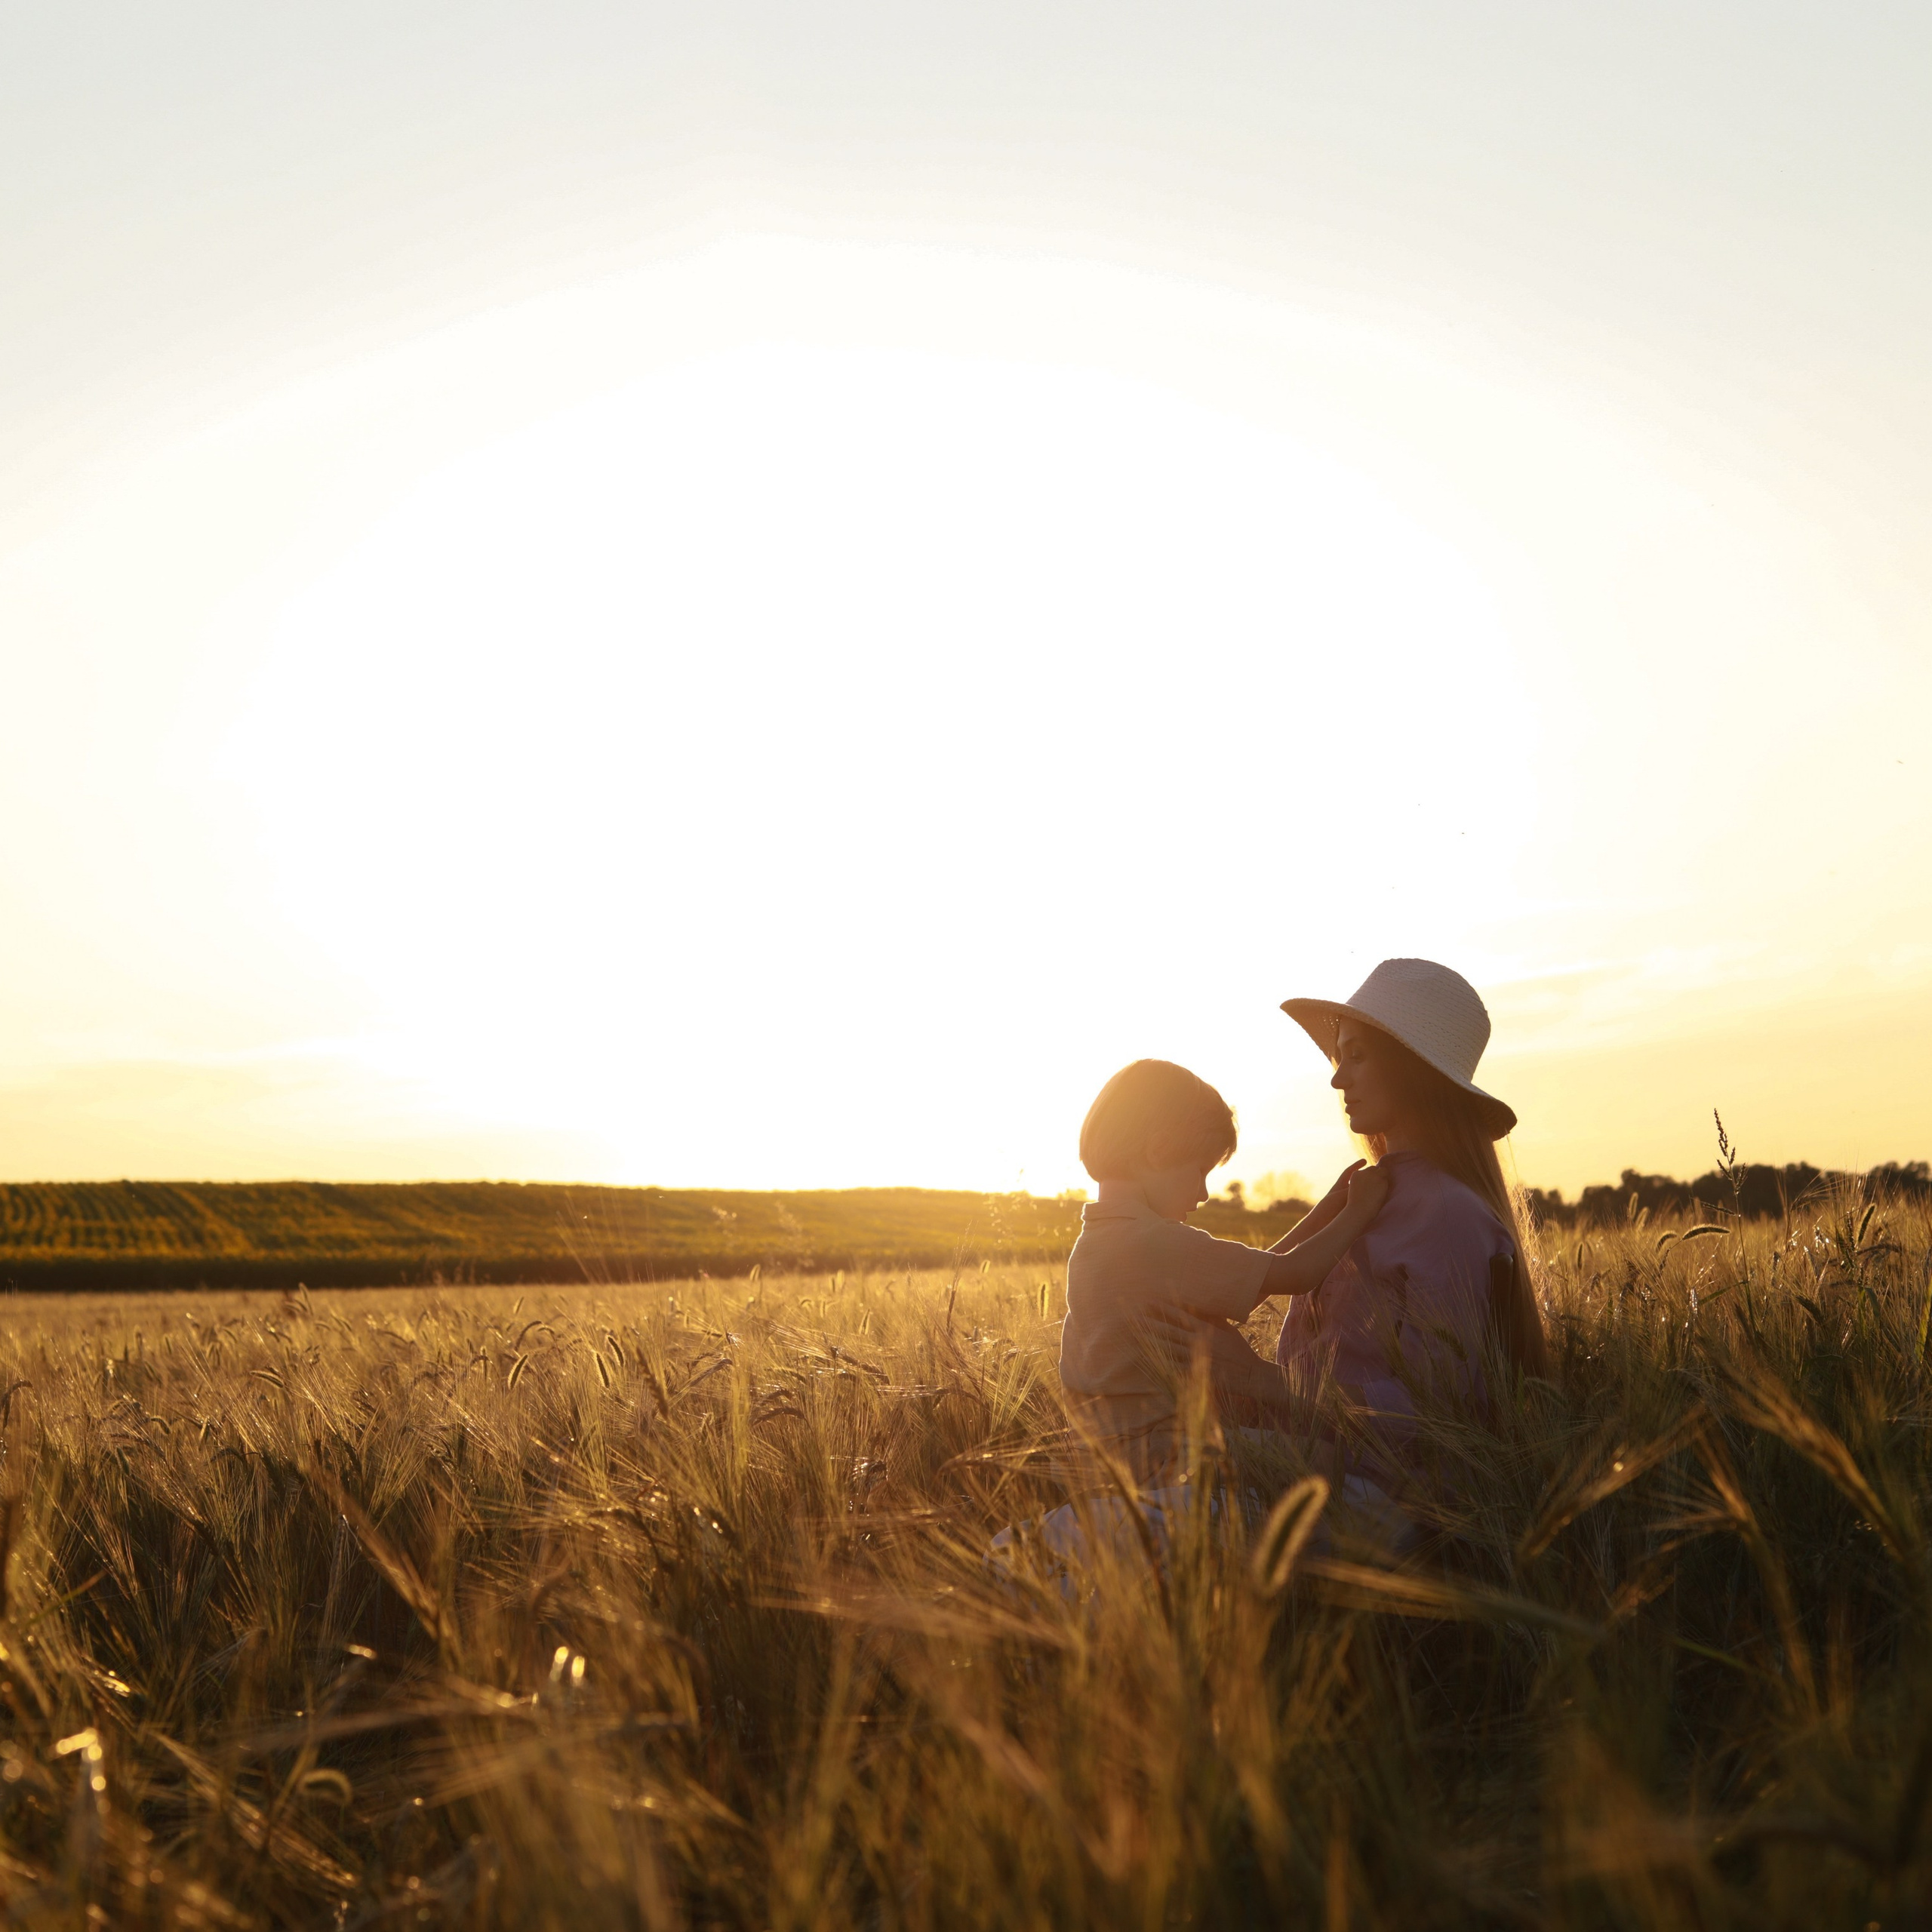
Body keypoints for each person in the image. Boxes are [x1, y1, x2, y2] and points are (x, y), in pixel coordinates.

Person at [1150, 958, 1550, 1469]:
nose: (1338, 1080)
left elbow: (1435, 1415)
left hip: (1378, 1501)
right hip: (1299, 1471)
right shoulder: (1359, 1193)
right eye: (1339, 1059)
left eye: (1357, 1056)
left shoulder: (1452, 1216)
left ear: (1413, 1066)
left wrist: (1257, 1381)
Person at [1058, 1057, 1390, 1478]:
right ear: (1159, 1150)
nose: (1203, 1194)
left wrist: (1324, 1212)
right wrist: (1359, 1211)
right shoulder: (1157, 1242)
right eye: (1199, 1171)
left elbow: (1254, 1278)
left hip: (1109, 1456)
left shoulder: (1096, 1244)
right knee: (1328, 1460)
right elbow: (1295, 1274)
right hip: (1168, 1450)